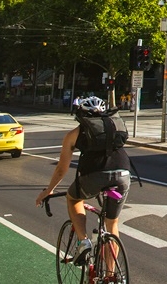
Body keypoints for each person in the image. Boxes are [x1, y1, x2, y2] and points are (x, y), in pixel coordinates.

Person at [35, 96, 131, 262]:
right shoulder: (113, 126)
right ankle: (111, 276)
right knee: (112, 224)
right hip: (123, 174)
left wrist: (48, 191)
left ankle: (84, 241)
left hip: (94, 175)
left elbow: (61, 169)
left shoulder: (75, 133)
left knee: (73, 199)